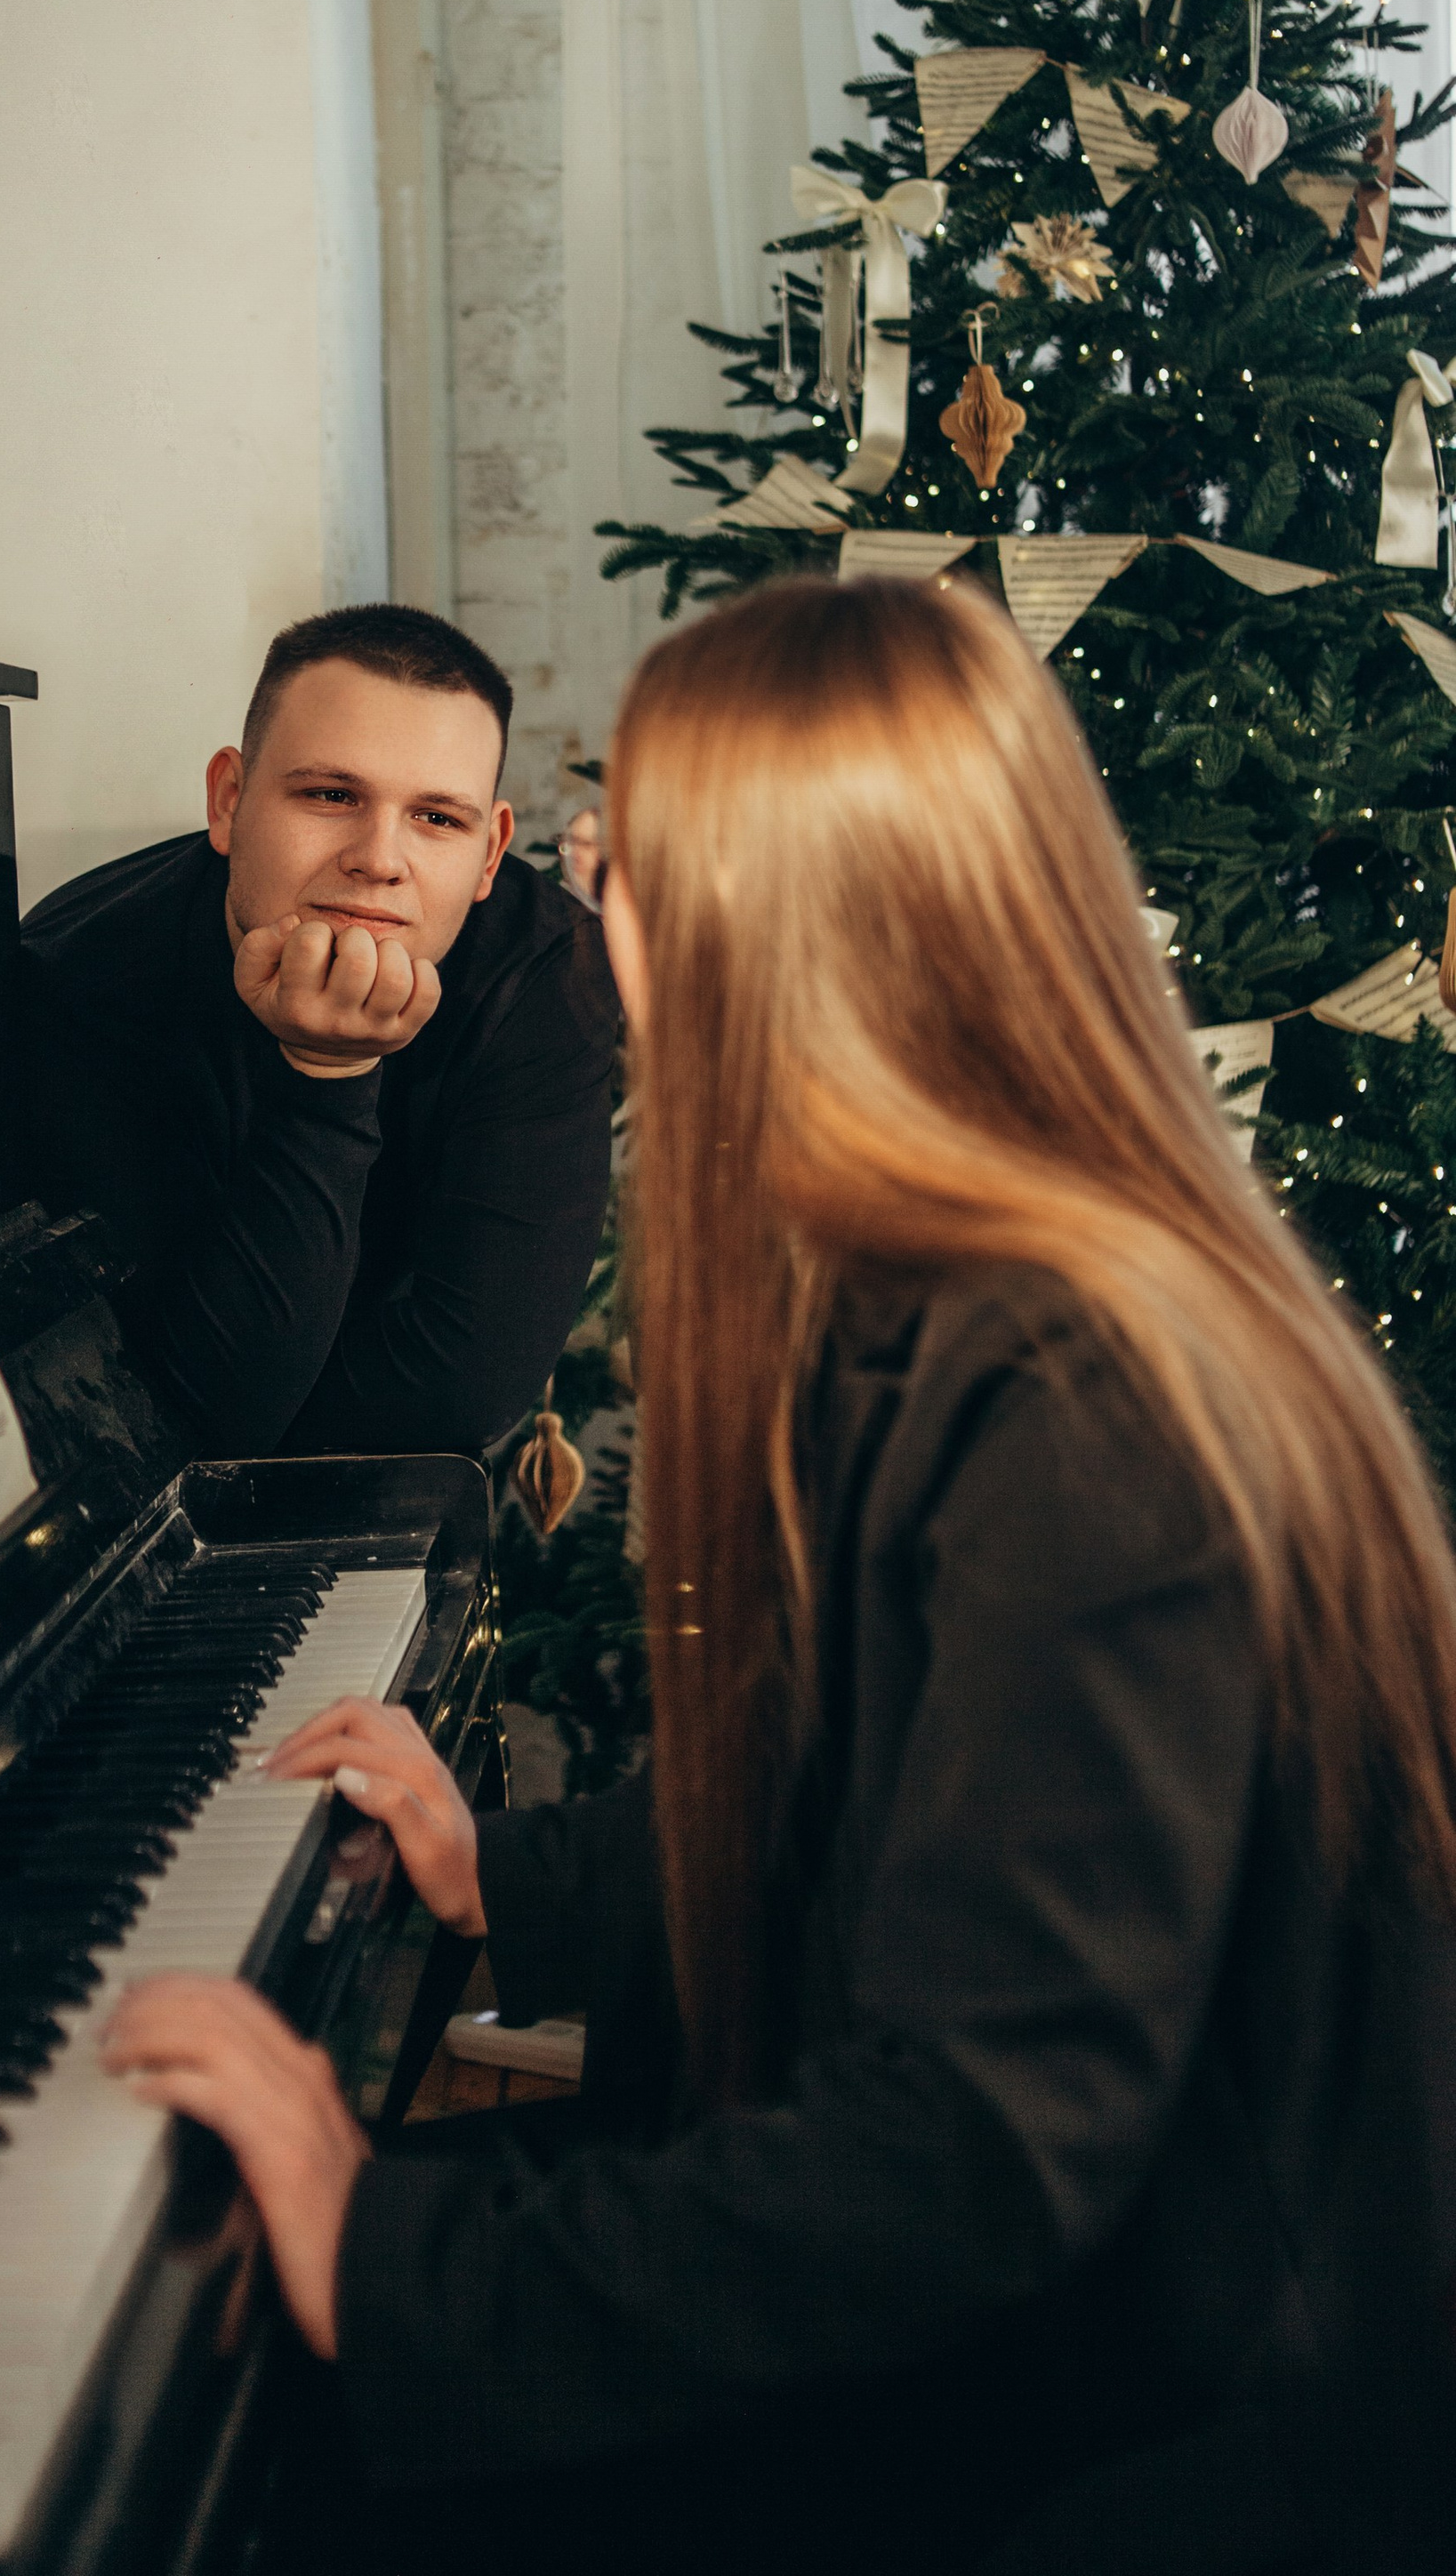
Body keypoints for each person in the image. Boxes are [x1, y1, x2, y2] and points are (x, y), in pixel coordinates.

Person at [101, 576, 1456, 2574]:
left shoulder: (1075, 1384)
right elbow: (896, 1819)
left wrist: (382, 2249)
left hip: (1149, 2420)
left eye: (615, 861)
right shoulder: (948, 1295)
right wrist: (504, 1872)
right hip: (1044, 2300)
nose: (588, 920)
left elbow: (984, 2146)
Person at [18, 603, 616, 1456]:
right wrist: (325, 1075)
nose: (379, 857)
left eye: (437, 818)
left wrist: (330, 1068)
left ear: (491, 854)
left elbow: (461, 1393)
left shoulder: (548, 975)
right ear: (228, 801)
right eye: (332, 795)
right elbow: (171, 1411)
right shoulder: (78, 973)